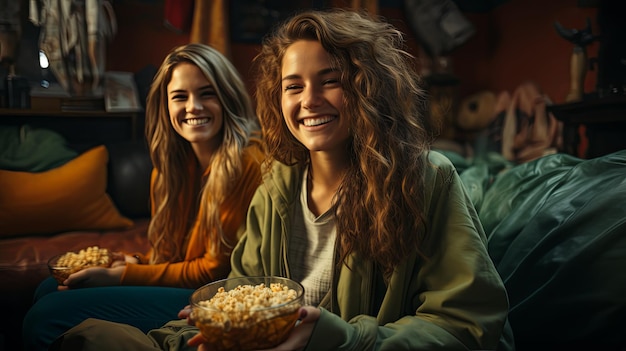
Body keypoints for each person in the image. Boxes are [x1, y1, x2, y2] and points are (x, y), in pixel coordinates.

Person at [49, 9, 514, 351]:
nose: (309, 100)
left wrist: (337, 339)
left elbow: (468, 325)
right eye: (293, 86)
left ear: (368, 87)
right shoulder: (276, 185)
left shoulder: (425, 179)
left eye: (331, 80)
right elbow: (243, 289)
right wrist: (198, 331)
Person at [22, 42, 264, 350]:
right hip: (186, 287)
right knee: (48, 288)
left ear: (228, 97)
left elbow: (212, 271)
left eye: (207, 93)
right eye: (180, 96)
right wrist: (128, 263)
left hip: (217, 298)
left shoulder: (245, 164)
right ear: (165, 105)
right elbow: (172, 256)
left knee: (45, 316)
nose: (193, 107)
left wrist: (123, 277)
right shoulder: (168, 170)